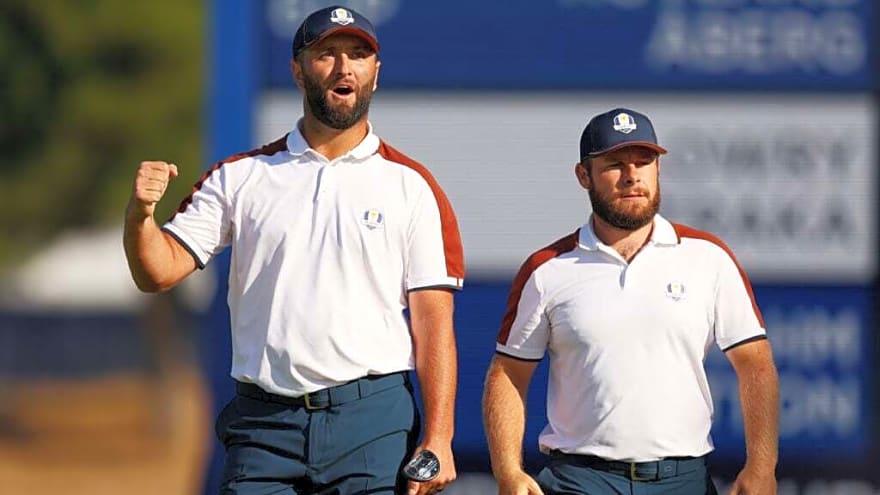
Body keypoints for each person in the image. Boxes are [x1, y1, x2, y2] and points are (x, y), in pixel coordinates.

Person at [123, 6, 464, 495]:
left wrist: (439, 436)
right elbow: (157, 271)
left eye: (359, 55)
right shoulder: (241, 177)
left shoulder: (411, 185)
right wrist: (139, 216)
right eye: (326, 54)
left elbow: (433, 322)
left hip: (372, 420)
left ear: (376, 72)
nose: (344, 68)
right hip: (264, 424)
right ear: (297, 70)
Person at [482, 108, 779, 495]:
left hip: (682, 480)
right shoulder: (547, 269)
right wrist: (508, 471)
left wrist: (761, 466)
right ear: (583, 175)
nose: (632, 175)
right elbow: (508, 374)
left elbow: (755, 364)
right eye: (615, 164)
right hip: (580, 479)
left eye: (645, 162)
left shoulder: (708, 257)